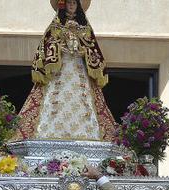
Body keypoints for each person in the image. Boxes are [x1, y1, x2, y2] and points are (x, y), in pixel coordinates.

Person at [13, 0, 116, 142]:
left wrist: (84, 52)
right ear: (64, 5)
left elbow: (94, 50)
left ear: (78, 5)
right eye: (69, 3)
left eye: (74, 3)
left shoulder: (85, 28)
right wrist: (59, 49)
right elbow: (45, 47)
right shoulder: (56, 26)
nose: (72, 5)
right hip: (59, 70)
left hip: (79, 69)